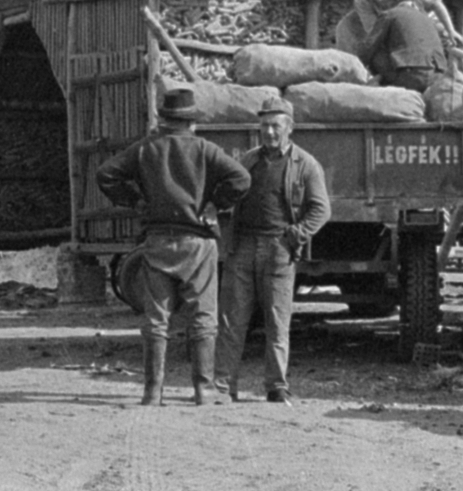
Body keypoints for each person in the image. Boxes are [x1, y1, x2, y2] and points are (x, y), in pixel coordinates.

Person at [96, 87, 251, 406]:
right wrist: (214, 205)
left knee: (156, 319)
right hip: (198, 244)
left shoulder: (144, 149)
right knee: (203, 318)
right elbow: (241, 178)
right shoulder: (206, 150)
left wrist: (136, 201)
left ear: (164, 120)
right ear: (191, 122)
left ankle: (153, 391)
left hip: (157, 243)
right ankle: (203, 391)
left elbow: (106, 174)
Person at [214, 95, 331, 406]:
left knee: (277, 321)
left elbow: (321, 209)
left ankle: (276, 387)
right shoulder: (248, 161)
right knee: (231, 320)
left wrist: (296, 235)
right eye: (264, 125)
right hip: (243, 248)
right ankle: (223, 387)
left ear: (289, 128)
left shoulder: (305, 164)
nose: (268, 132)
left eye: (275, 126)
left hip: (279, 248)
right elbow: (229, 197)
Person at [361, 2, 449, 93]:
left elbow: (369, 44)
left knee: (376, 51)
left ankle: (379, 83)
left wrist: (359, 65)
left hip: (409, 75)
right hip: (437, 77)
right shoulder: (430, 21)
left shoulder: (391, 13)